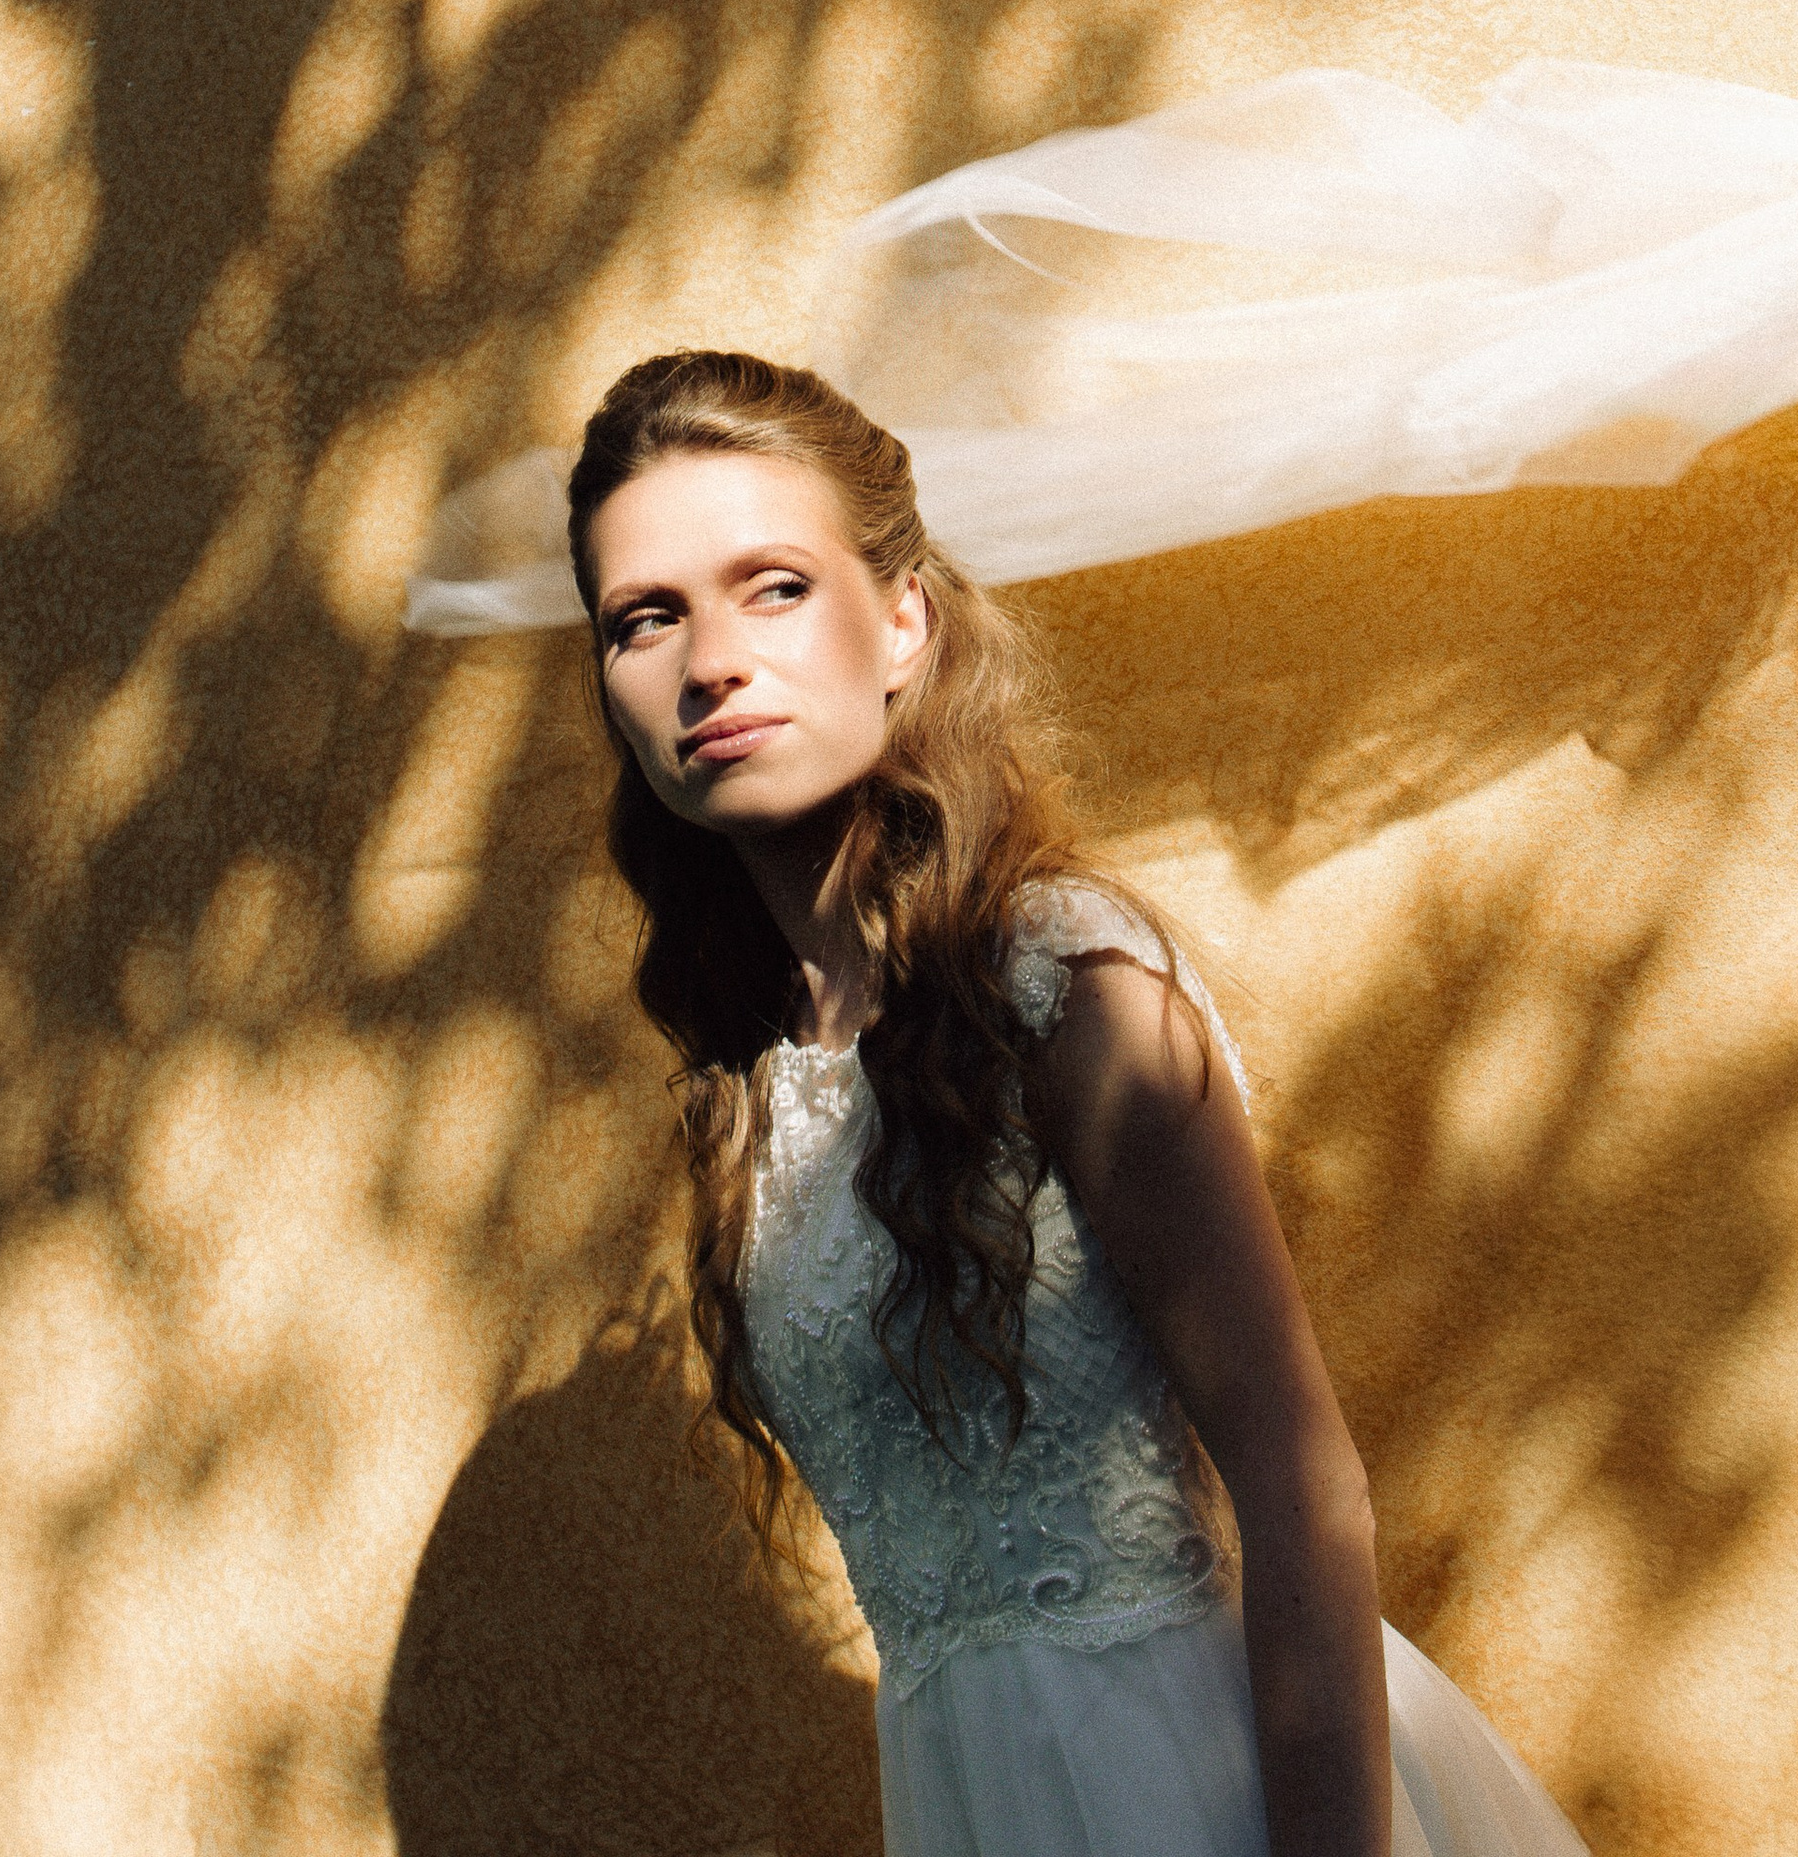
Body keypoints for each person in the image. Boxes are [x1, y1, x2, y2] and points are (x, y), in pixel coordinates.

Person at [567, 342, 1593, 1857]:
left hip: (1206, 1787)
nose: (709, 659)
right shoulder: (752, 1084)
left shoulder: (1061, 981)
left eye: (772, 585)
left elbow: (1303, 1478)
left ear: (903, 617)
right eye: (645, 617)